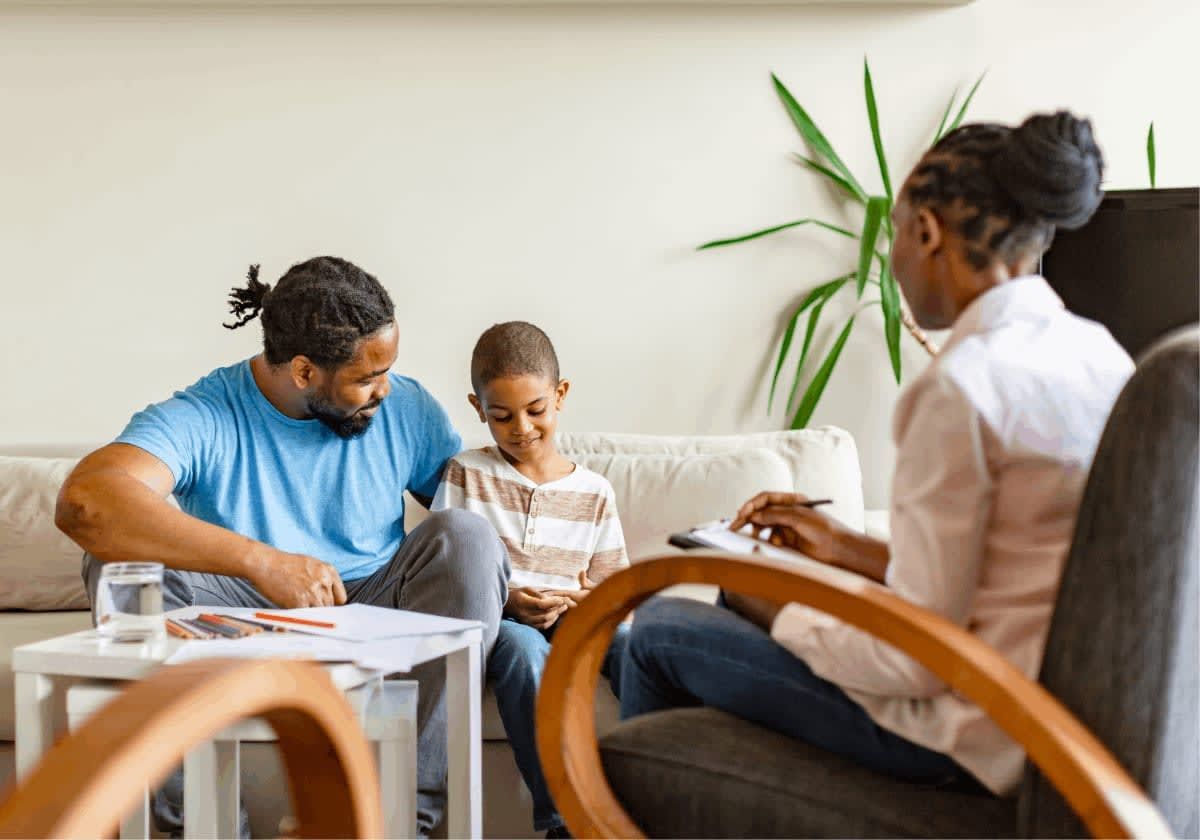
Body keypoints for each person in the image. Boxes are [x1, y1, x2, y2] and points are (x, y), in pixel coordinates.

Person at [618, 111, 1135, 796]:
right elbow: (999, 578)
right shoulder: (1098, 353)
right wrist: (842, 547)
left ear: (926, 233)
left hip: (973, 734)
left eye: (894, 231)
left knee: (658, 630)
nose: (891, 254)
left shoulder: (962, 388)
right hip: (1059, 723)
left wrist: (771, 606)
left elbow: (914, 663)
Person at [56, 256, 509, 837]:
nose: (385, 388)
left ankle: (398, 825)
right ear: (302, 371)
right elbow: (86, 502)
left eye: (388, 368)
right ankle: (201, 829)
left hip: (375, 603)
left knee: (469, 536)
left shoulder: (407, 408)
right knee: (120, 558)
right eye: (366, 377)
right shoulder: (206, 413)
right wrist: (260, 560)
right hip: (238, 619)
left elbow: (481, 515)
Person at [433, 321, 629, 838]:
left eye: (535, 410)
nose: (521, 428)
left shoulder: (595, 491)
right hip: (503, 622)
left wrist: (579, 600)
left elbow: (616, 593)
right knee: (524, 652)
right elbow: (446, 573)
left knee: (635, 643)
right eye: (501, 416)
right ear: (478, 410)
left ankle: (654, 789)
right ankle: (565, 820)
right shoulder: (466, 474)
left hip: (572, 619)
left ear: (560, 395)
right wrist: (509, 601)